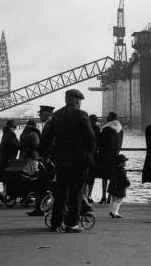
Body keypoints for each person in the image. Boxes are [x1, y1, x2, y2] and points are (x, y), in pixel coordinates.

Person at [40, 89, 95, 233]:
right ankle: (71, 224)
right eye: (80, 101)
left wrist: (46, 155)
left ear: (66, 99)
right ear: (77, 100)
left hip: (61, 160)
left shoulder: (57, 115)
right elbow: (90, 137)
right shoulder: (82, 114)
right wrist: (90, 153)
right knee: (76, 192)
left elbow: (46, 138)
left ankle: (55, 223)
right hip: (79, 160)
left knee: (60, 191)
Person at [27, 106, 55, 217]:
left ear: (47, 114)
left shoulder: (49, 125)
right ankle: (41, 208)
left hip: (47, 159)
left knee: (42, 184)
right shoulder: (49, 124)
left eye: (41, 114)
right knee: (43, 184)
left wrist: (44, 155)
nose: (39, 116)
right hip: (47, 158)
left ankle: (40, 209)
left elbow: (47, 142)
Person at [96, 112, 123, 204]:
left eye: (108, 116)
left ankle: (103, 196)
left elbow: (100, 142)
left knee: (104, 177)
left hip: (105, 156)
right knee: (112, 178)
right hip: (115, 156)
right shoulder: (120, 129)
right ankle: (110, 197)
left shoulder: (107, 128)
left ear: (110, 118)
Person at [0, 119, 19, 196]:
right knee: (9, 177)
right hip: (8, 159)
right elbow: (15, 145)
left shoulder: (5, 133)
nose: (15, 129)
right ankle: (8, 194)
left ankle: (5, 193)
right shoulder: (11, 134)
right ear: (12, 127)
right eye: (14, 127)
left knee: (5, 178)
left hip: (3, 159)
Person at [108, 154, 130, 218]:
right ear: (121, 163)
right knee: (118, 201)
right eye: (124, 162)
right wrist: (128, 183)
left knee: (112, 200)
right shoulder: (122, 171)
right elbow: (124, 180)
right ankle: (115, 213)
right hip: (119, 189)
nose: (125, 163)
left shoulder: (114, 169)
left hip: (112, 187)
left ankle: (111, 211)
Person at [85, 114, 102, 202]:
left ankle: (85, 195)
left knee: (85, 178)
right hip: (94, 156)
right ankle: (89, 196)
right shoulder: (97, 129)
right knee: (91, 178)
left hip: (85, 156)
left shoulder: (85, 128)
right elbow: (99, 142)